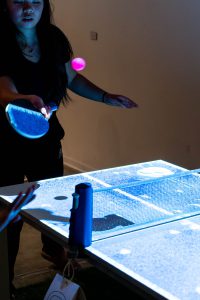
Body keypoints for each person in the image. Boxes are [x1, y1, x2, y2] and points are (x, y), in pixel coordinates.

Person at [0, 0, 138, 297]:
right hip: (5, 143)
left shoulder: (54, 38)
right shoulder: (0, 41)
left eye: (35, 1)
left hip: (46, 140)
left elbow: (71, 77)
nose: (28, 8)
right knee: (8, 217)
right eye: (19, 1)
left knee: (54, 205)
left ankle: (58, 263)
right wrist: (21, 99)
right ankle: (5, 283)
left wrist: (105, 97)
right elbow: (3, 88)